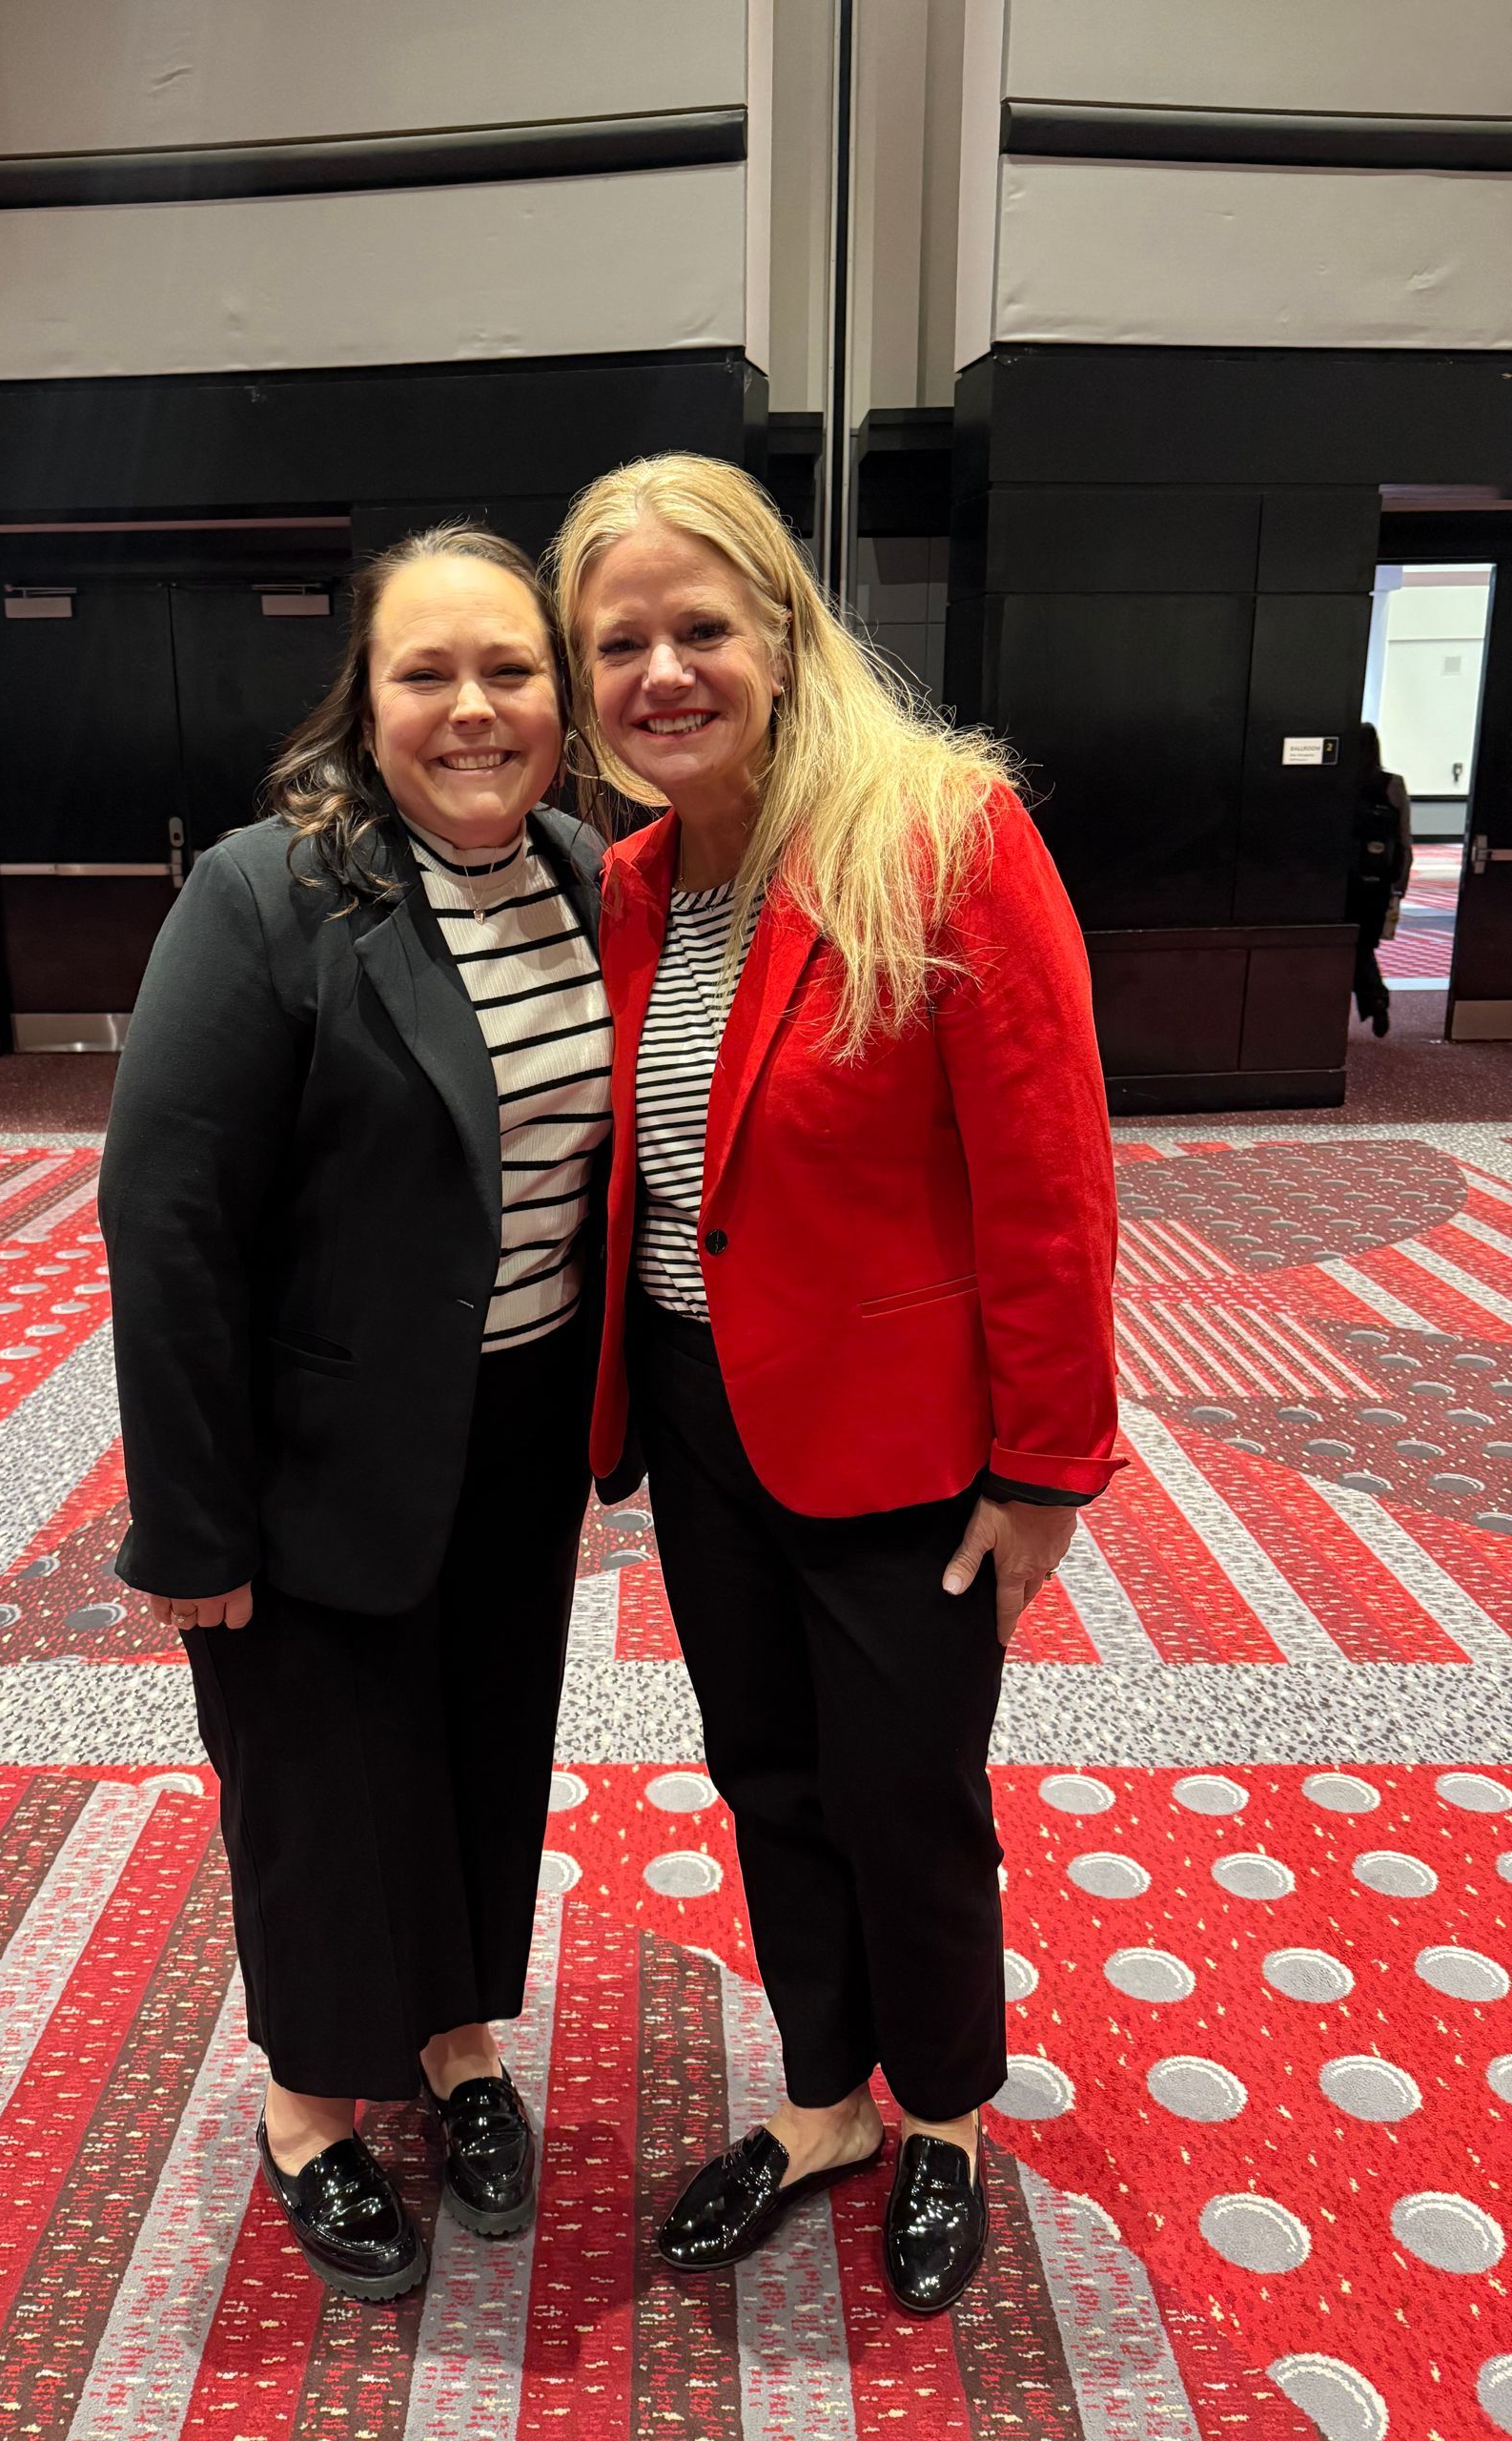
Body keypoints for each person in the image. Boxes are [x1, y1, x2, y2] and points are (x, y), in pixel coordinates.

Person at [547, 455, 1120, 2316]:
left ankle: (943, 2108)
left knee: (908, 1791)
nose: (660, 671)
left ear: (785, 634)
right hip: (707, 1425)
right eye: (618, 639)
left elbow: (1048, 1177)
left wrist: (1044, 1468)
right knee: (769, 1776)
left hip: (898, 1442)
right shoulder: (636, 877)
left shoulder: (940, 830)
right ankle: (823, 2102)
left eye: (699, 627)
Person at [99, 526, 612, 2301]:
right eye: (428, 673)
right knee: (320, 1792)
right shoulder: (268, 894)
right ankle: (315, 2106)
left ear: (561, 695)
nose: (475, 708)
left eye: (512, 670)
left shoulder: (585, 870)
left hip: (521, 1427)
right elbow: (166, 1226)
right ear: (365, 701)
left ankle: (461, 2044)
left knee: (481, 1747)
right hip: (311, 1459)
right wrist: (191, 1525)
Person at [1348, 721, 1413, 1037]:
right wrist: (1399, 887)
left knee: (1348, 946)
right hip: (1376, 882)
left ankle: (1374, 997)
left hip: (1341, 881)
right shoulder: (1393, 784)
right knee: (1361, 945)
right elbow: (1404, 841)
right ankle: (1374, 998)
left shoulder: (1339, 783)